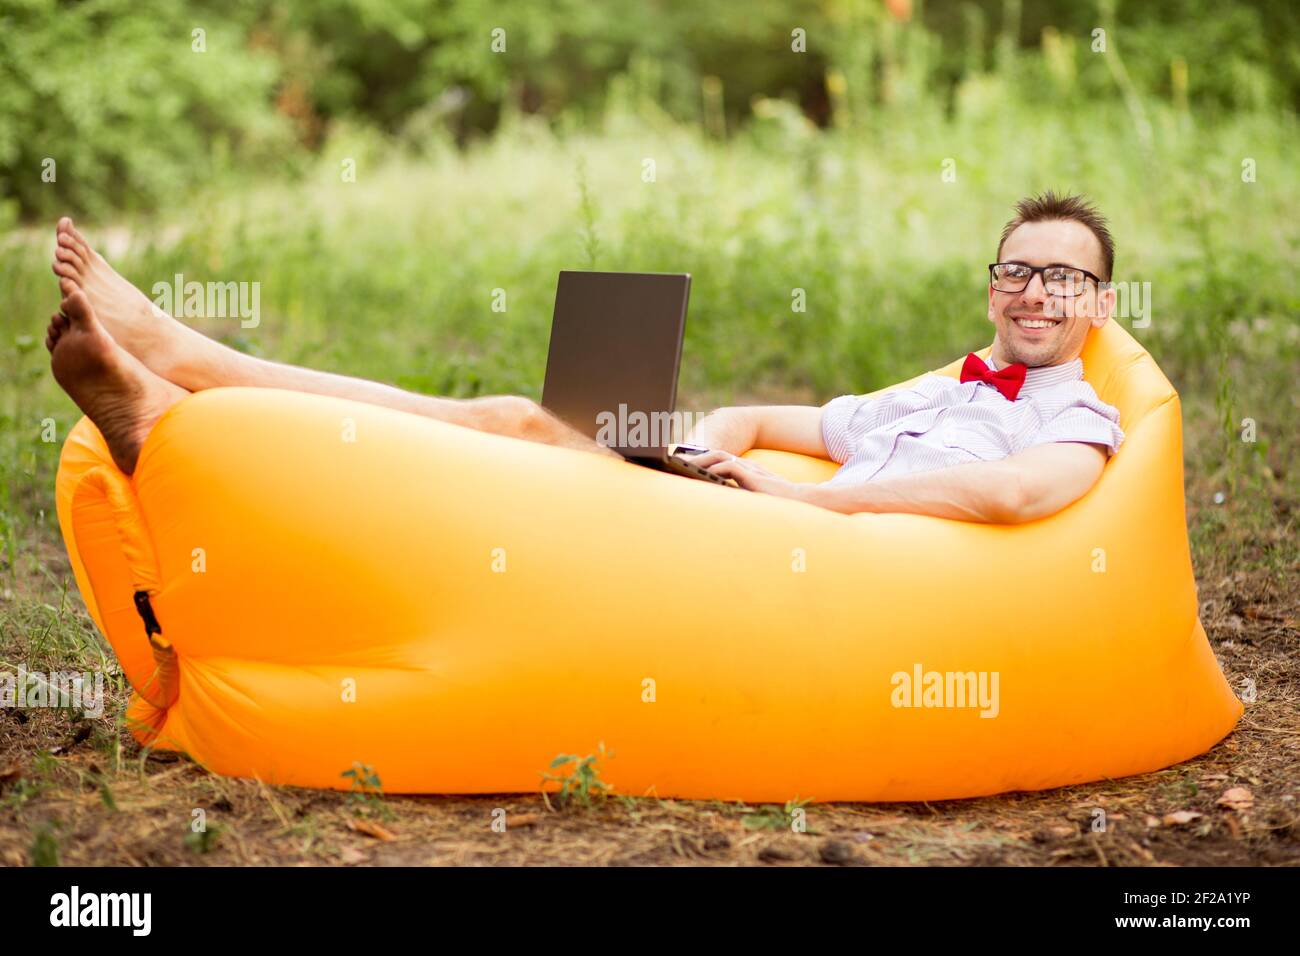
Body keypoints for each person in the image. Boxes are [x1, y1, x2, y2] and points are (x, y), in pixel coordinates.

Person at [46, 190, 1122, 523]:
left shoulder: (1078, 418)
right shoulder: (935, 389)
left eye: (1063, 277)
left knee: (512, 423)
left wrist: (805, 508)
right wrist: (699, 452)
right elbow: (754, 417)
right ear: (990, 286)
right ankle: (162, 405)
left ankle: (182, 369)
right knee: (514, 421)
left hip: (804, 546)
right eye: (1017, 269)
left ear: (1098, 305)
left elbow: (1018, 497)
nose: (1036, 290)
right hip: (736, 509)